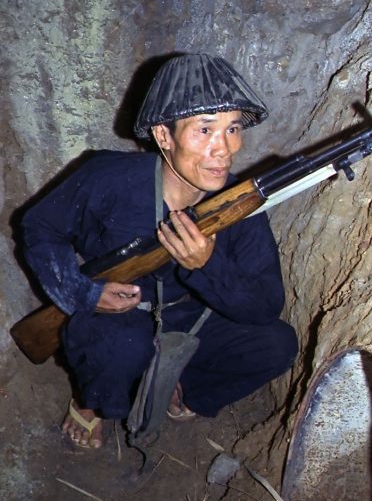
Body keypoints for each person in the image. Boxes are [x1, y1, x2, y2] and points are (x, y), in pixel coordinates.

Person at [22, 53, 298, 449]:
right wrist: (85, 294)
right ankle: (92, 404)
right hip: (121, 315)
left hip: (194, 317)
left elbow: (265, 305)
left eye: (233, 128)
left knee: (277, 345)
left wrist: (207, 267)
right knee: (117, 348)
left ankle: (182, 385)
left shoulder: (238, 204)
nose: (224, 149)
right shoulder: (108, 179)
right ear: (164, 136)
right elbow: (40, 227)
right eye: (204, 130)